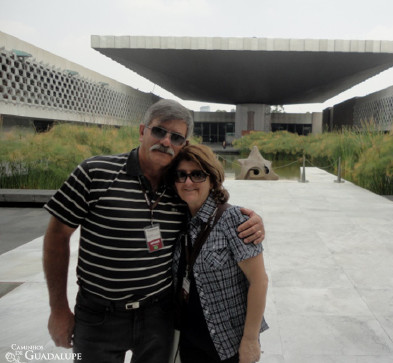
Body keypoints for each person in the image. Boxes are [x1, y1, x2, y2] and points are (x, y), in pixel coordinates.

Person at [42, 99, 265, 363]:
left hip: (157, 316)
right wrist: (58, 309)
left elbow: (209, 205)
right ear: (142, 131)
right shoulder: (95, 173)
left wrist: (253, 220)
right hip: (99, 316)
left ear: (184, 144)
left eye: (176, 137)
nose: (166, 141)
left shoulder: (178, 188)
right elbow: (57, 237)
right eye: (159, 131)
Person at [166, 144, 268, 363]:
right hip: (189, 341)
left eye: (198, 175)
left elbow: (259, 282)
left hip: (227, 344)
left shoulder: (233, 220)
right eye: (181, 175)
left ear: (212, 179)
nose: (188, 182)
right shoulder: (179, 219)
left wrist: (250, 340)